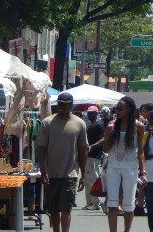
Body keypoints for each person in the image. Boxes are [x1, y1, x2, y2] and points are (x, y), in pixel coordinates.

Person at [37, 92, 88, 232]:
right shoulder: (47, 122)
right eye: (59, 104)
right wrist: (43, 171)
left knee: (66, 209)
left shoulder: (79, 124)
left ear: (71, 106)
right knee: (54, 209)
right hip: (51, 174)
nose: (61, 107)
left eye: (64, 105)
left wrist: (83, 174)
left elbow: (83, 150)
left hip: (70, 174)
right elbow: (41, 148)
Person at [104, 96, 146, 232]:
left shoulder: (138, 126)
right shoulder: (112, 124)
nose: (118, 111)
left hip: (130, 168)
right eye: (117, 109)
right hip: (113, 167)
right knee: (112, 204)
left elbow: (140, 151)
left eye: (121, 109)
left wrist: (143, 172)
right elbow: (106, 149)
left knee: (129, 204)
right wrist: (108, 134)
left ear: (129, 110)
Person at [84, 106, 105, 210]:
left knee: (92, 178)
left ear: (97, 114)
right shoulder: (90, 124)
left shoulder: (99, 124)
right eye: (89, 113)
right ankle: (90, 202)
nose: (89, 115)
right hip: (88, 155)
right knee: (87, 179)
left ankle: (95, 203)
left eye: (92, 113)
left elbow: (103, 139)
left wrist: (92, 146)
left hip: (94, 155)